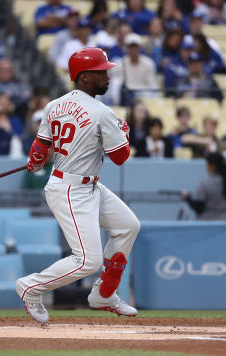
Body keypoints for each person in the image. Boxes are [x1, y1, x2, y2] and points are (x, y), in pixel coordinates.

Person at [16, 47, 139, 324]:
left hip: (85, 185)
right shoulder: (102, 112)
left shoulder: (53, 105)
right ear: (84, 77)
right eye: (101, 72)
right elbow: (120, 157)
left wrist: (36, 160)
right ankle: (31, 287)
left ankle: (104, 294)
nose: (107, 76)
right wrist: (124, 134)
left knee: (128, 226)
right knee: (88, 261)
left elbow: (40, 148)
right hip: (71, 190)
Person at [180, 152, 226, 220]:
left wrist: (187, 198)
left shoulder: (204, 184)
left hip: (207, 223)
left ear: (212, 166)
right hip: (225, 223)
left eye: (207, 164)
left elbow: (199, 208)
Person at [111, 33, 159, 104]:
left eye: (135, 46)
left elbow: (151, 84)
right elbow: (115, 84)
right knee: (115, 83)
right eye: (131, 46)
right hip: (125, 95)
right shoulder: (119, 63)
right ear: (126, 48)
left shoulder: (148, 63)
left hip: (142, 94)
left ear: (139, 47)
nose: (133, 49)